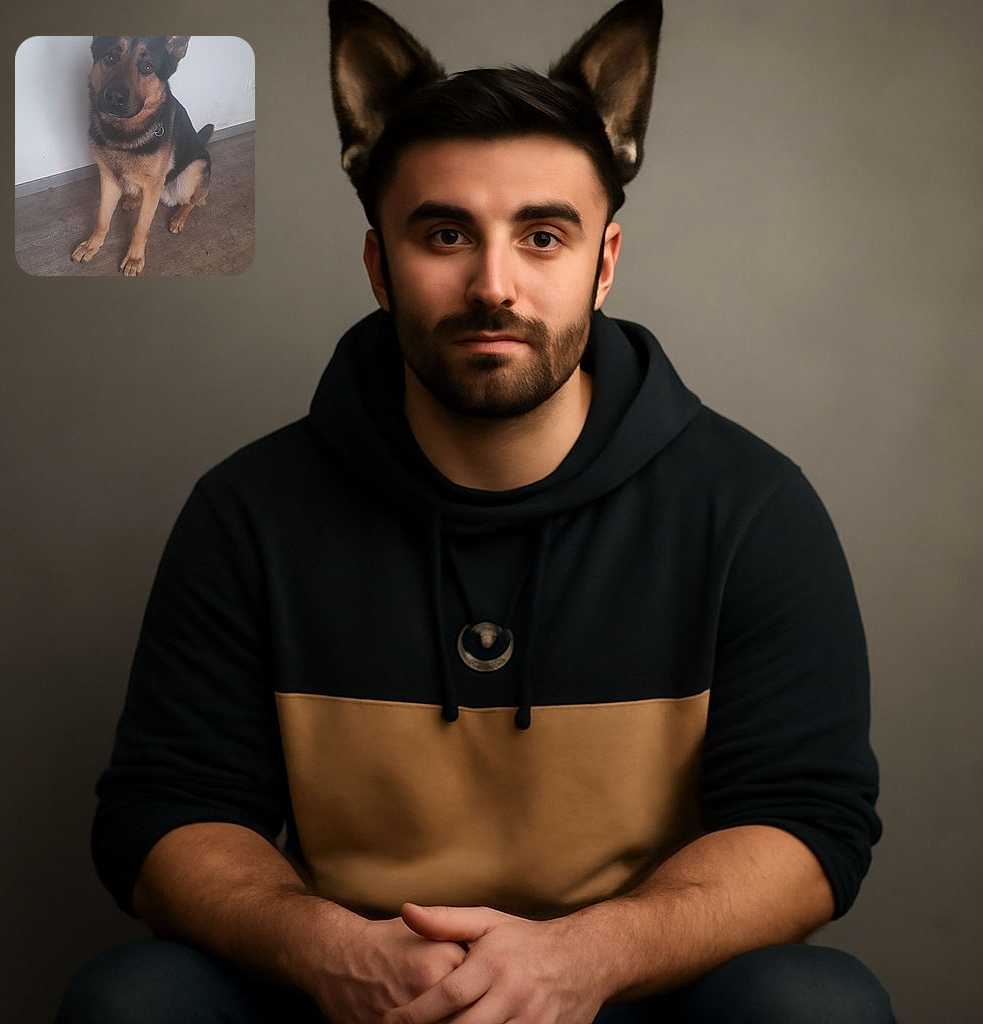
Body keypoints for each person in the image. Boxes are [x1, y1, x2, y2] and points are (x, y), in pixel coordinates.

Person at [56, 2, 896, 1022]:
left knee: (815, 1004)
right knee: (134, 998)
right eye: (444, 233)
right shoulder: (250, 512)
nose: (491, 284)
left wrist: (583, 957)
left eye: (542, 235)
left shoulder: (752, 508)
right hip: (352, 989)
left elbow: (809, 826)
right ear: (378, 267)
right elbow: (162, 814)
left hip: (626, 991)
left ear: (605, 261)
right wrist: (331, 949)